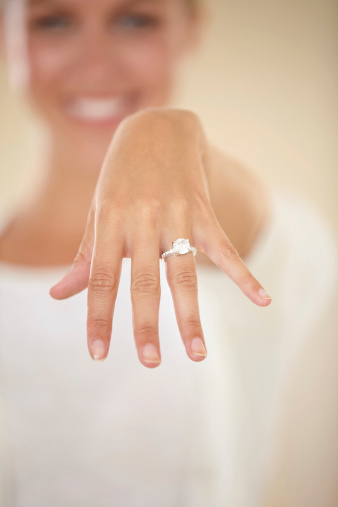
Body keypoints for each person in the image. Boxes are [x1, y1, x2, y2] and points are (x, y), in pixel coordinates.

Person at [0, 0, 337, 506]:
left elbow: (257, 226)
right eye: (54, 21)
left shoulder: (252, 244)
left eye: (134, 20)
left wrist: (175, 133)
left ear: (190, 29)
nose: (95, 63)